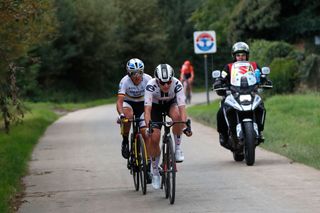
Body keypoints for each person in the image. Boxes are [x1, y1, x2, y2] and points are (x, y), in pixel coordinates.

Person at [213, 42, 271, 150]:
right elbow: (222, 77)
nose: (241, 57)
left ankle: (259, 130)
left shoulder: (254, 66)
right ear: (234, 56)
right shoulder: (229, 67)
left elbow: (261, 76)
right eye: (238, 55)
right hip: (233, 94)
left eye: (243, 55)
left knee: (261, 107)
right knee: (221, 111)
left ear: (247, 55)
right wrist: (218, 83)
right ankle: (224, 135)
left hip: (251, 93)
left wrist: (265, 80)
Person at [144, 64, 192, 189]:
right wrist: (149, 126)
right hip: (155, 108)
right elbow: (147, 110)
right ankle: (155, 173)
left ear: (172, 79)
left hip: (170, 104)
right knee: (154, 138)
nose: (166, 85)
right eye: (162, 82)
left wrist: (184, 124)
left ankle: (177, 148)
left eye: (168, 82)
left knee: (177, 118)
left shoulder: (177, 84)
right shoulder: (150, 85)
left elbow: (182, 108)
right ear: (156, 80)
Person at [116, 58, 152, 160]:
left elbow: (154, 97)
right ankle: (125, 140)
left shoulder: (148, 79)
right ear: (128, 74)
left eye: (140, 73)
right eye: (133, 73)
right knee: (128, 117)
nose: (137, 76)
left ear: (143, 72)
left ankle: (148, 161)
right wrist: (121, 114)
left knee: (145, 131)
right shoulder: (124, 81)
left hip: (142, 104)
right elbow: (119, 101)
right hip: (128, 103)